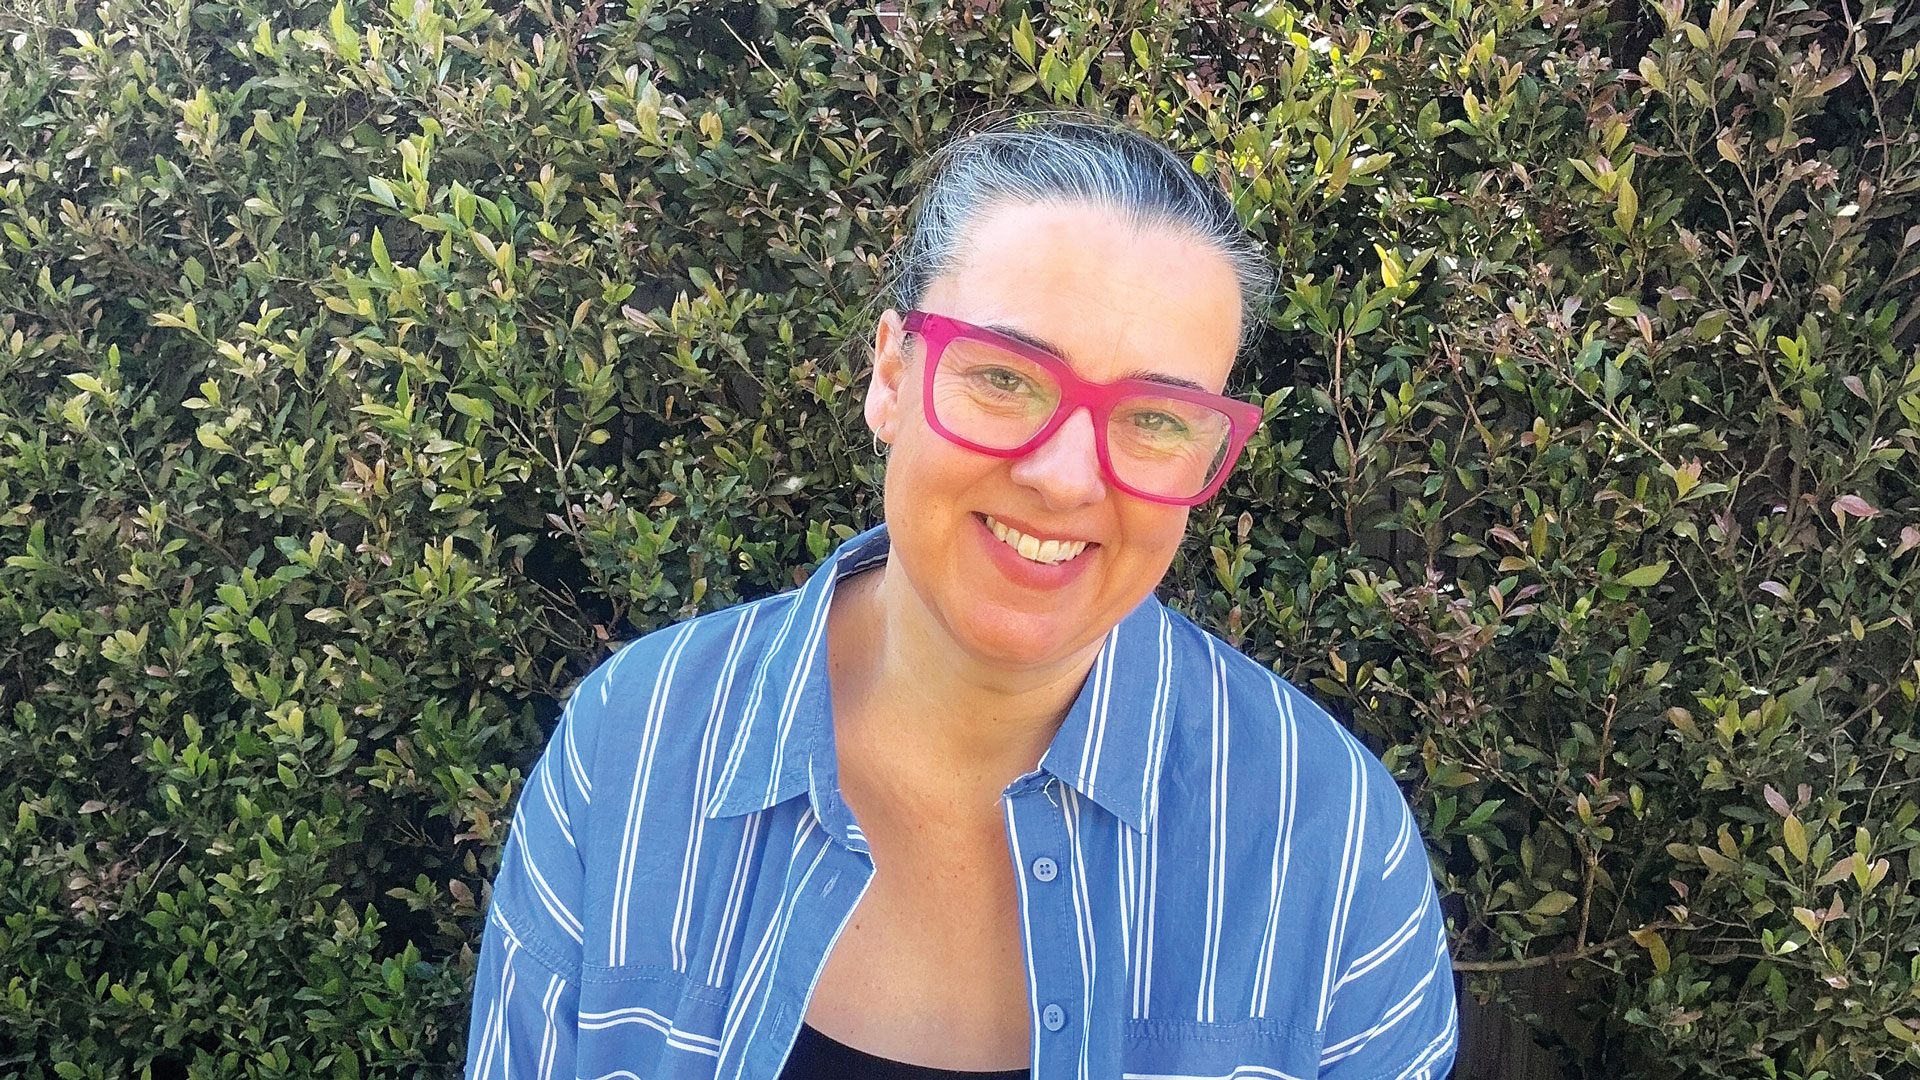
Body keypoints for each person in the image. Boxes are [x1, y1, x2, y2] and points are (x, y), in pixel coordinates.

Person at [464, 113, 1457, 1080]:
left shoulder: (1329, 842)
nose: (1067, 477)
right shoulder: (635, 747)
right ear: (891, 374)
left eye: (1155, 416)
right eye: (1007, 379)